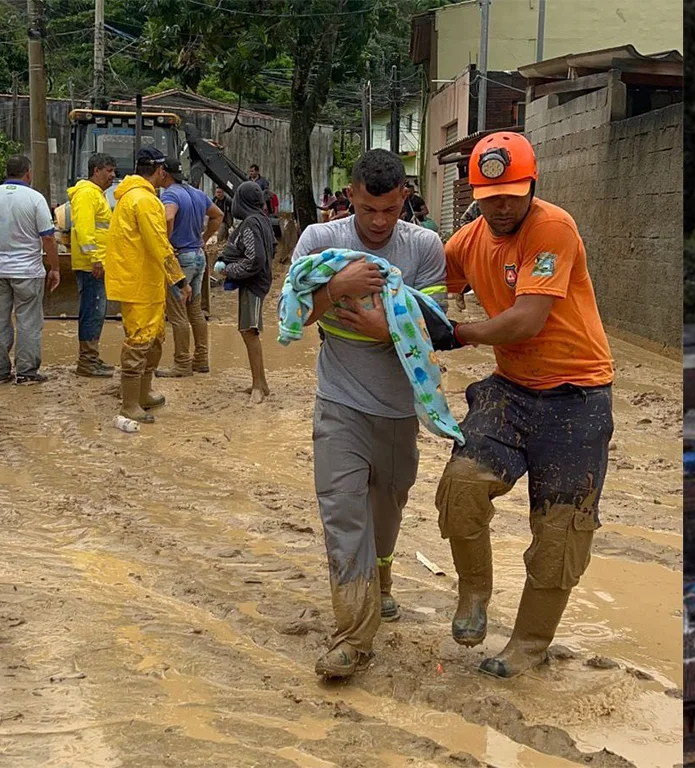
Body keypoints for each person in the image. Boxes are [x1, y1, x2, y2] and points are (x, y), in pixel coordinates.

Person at [437, 131, 615, 679]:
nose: (504, 204)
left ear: (532, 185)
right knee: (461, 487)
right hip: (510, 389)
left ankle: (530, 644)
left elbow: (526, 319)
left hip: (577, 396)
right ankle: (474, 592)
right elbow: (428, 282)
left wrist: (458, 332)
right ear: (475, 194)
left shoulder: (552, 228)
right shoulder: (465, 243)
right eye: (491, 195)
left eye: (513, 192)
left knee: (561, 533)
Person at [289, 149, 447, 680]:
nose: (379, 223)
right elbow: (294, 314)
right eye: (368, 210)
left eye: (389, 211)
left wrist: (386, 330)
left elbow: (434, 333)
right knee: (343, 515)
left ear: (404, 198)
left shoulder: (424, 247)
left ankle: (381, 577)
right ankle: (354, 639)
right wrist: (337, 288)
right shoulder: (319, 242)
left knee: (388, 508)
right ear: (350, 195)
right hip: (339, 403)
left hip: (400, 411)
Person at [105, 147, 184, 423]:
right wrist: (179, 279)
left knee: (154, 338)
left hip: (143, 282)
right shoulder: (145, 201)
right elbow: (159, 245)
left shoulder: (131, 197)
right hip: (140, 284)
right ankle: (129, 404)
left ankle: (144, 392)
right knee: (139, 342)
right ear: (161, 171)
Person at [158, 159, 223, 377]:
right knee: (195, 310)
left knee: (177, 314)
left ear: (165, 174)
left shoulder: (170, 194)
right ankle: (201, 359)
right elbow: (218, 216)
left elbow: (168, 216)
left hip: (181, 258)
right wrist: (203, 238)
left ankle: (182, 363)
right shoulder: (197, 193)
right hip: (198, 256)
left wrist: (166, 243)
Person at [0, 155, 60, 384]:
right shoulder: (35, 199)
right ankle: (26, 373)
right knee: (28, 322)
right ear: (28, 173)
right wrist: (55, 268)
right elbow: (47, 238)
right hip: (27, 272)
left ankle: (1, 371)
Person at [212, 181, 274, 402]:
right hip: (258, 281)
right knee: (248, 330)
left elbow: (255, 258)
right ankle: (261, 382)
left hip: (254, 283)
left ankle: (258, 385)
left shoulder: (250, 224)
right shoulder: (261, 219)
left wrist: (230, 270)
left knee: (250, 331)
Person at [67, 152, 118, 378]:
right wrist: (95, 258)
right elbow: (85, 230)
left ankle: (91, 358)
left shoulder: (96, 194)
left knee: (97, 311)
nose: (113, 175)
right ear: (95, 171)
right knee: (92, 310)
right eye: (108, 170)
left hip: (97, 263)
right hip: (92, 265)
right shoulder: (87, 194)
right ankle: (87, 362)